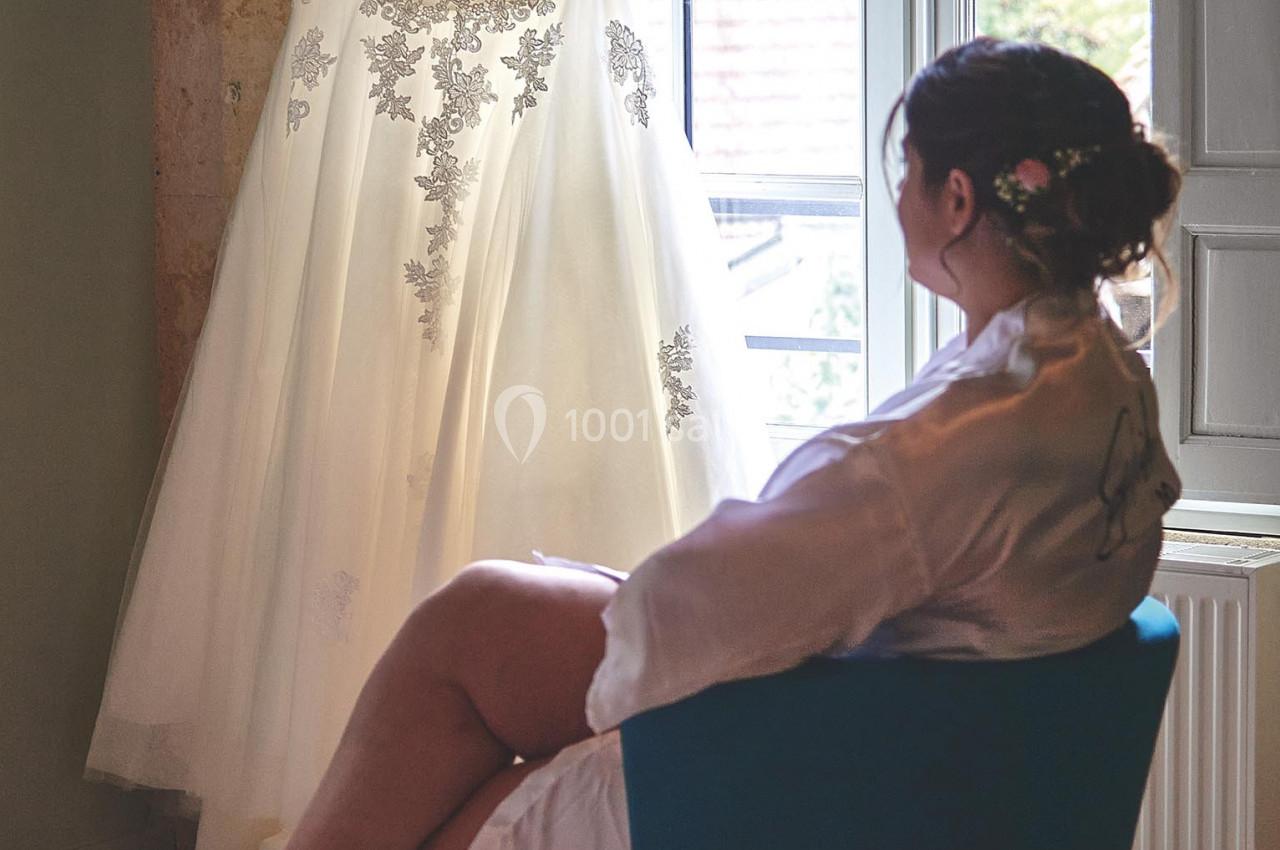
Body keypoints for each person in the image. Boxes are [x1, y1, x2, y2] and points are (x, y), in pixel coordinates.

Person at [284, 36, 1185, 850]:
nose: (898, 195)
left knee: (470, 686)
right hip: (954, 752)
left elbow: (697, 609)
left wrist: (619, 608)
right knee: (483, 615)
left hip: (815, 776)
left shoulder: (935, 455)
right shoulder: (1107, 377)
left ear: (956, 199)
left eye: (906, 170)